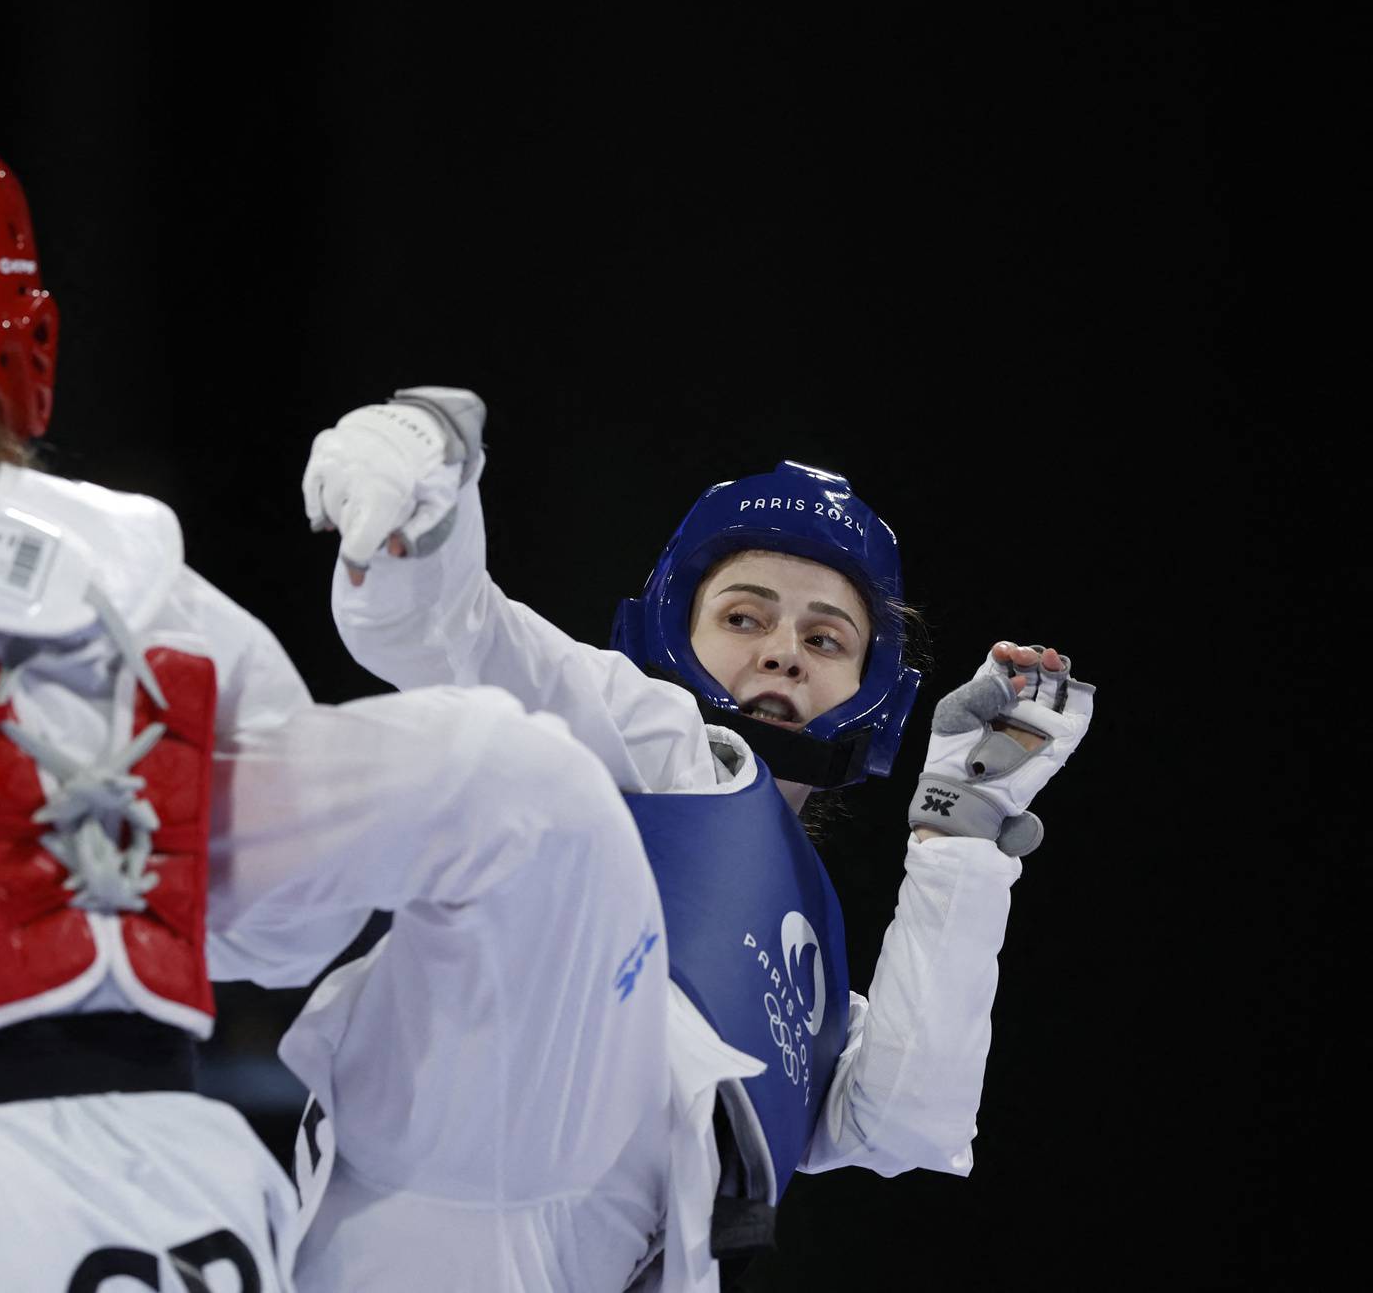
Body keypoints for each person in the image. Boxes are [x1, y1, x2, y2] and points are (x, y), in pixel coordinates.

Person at [0, 118, 661, 1292]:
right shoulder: (152, 570)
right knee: (509, 771)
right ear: (23, 337)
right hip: (189, 1205)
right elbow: (286, 929)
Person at [289, 388, 1094, 1291]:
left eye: (826, 638)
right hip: (427, 1215)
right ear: (669, 638)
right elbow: (454, 632)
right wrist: (424, 494)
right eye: (744, 618)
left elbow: (905, 1119)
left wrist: (963, 840)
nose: (784, 651)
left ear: (876, 693)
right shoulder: (645, 743)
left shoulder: (804, 958)